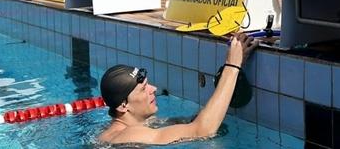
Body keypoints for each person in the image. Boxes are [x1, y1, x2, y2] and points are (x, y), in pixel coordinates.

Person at [98, 32, 258, 145]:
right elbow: (203, 131)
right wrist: (232, 66)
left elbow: (197, 121)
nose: (153, 89)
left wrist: (231, 74)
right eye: (143, 88)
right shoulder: (127, 136)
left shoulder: (137, 125)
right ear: (123, 105)